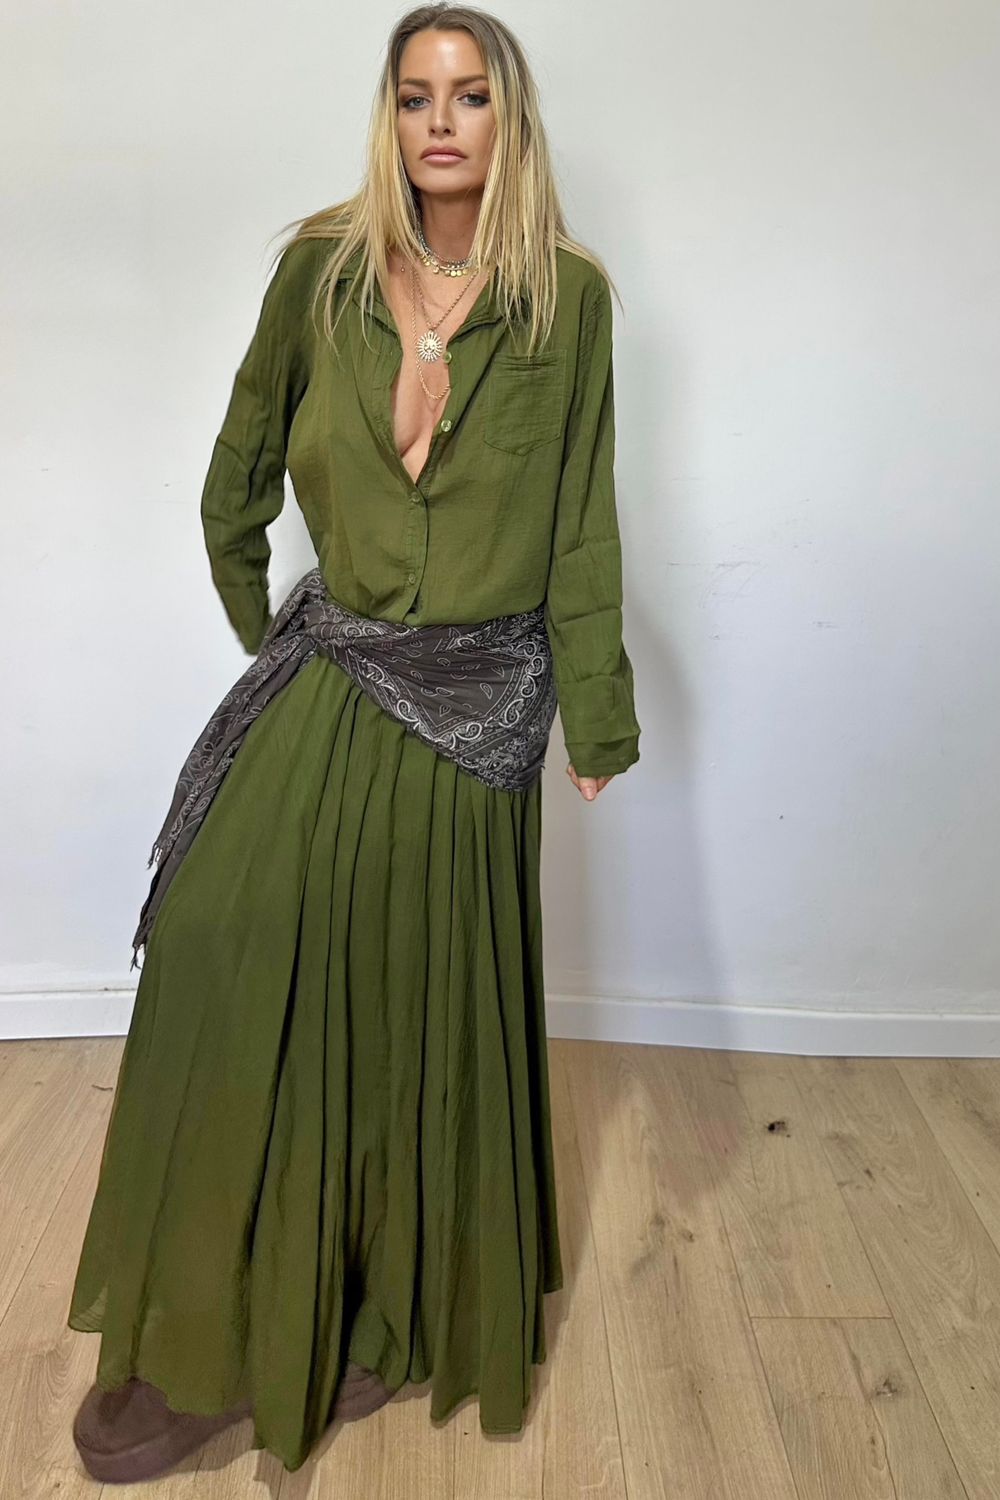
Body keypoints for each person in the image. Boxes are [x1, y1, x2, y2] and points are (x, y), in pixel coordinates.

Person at [67, 2, 641, 1482]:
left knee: (408, 1000)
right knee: (219, 931)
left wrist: (596, 711)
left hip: (480, 703)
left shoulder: (570, 304)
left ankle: (380, 1308)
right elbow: (239, 464)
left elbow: (583, 524)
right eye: (414, 96)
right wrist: (261, 623)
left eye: (470, 95)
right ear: (388, 119)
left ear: (511, 119)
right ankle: (209, 1326)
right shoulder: (317, 274)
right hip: (342, 659)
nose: (441, 122)